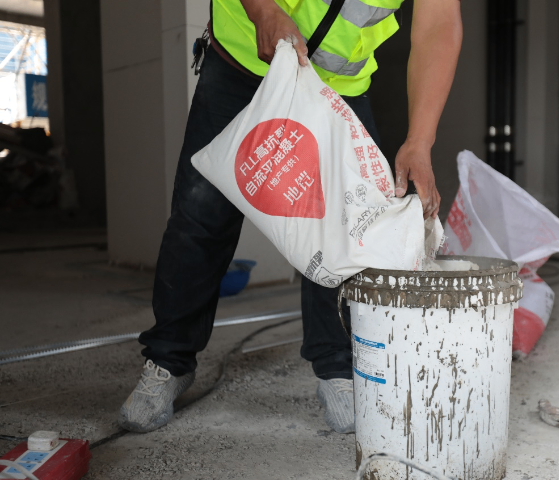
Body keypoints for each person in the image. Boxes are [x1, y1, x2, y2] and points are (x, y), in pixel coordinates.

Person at [118, 0, 462, 434]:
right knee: (200, 218)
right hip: (244, 62)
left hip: (338, 84)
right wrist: (262, 10)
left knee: (351, 229)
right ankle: (168, 360)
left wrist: (419, 140)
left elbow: (439, 24)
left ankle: (338, 370)